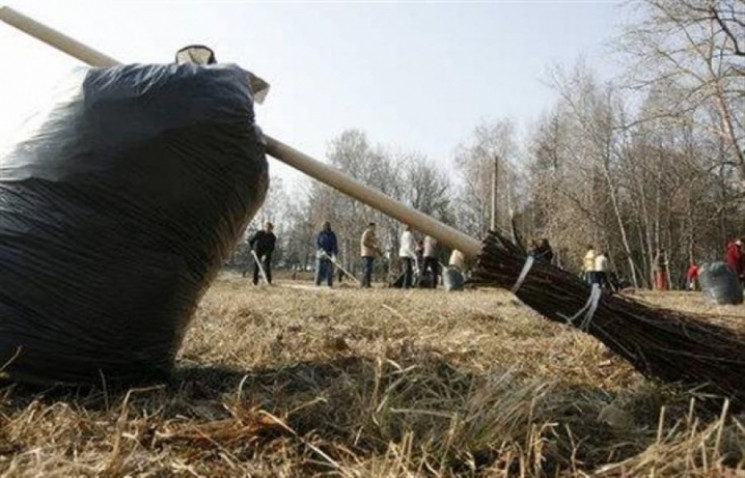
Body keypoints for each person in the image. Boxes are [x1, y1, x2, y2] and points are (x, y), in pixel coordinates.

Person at [315, 221, 338, 287]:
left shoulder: (332, 235)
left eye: (326, 226)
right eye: (324, 226)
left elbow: (334, 245)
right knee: (319, 270)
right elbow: (317, 243)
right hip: (321, 254)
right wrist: (321, 250)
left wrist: (334, 255)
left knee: (329, 271)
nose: (325, 227)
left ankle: (329, 284)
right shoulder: (320, 234)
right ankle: (317, 284)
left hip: (329, 254)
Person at [360, 222, 382, 288]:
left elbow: (374, 244)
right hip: (366, 253)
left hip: (371, 254)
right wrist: (372, 246)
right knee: (367, 269)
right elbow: (364, 242)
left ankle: (367, 284)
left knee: (369, 270)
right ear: (370, 227)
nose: (374, 228)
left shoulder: (373, 234)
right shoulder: (366, 233)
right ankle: (364, 284)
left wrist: (379, 252)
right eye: (373, 227)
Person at [399, 225, 418, 289]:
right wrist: (414, 255)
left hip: (404, 254)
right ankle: (405, 285)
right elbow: (407, 247)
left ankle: (408, 284)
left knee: (409, 270)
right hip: (406, 254)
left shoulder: (404, 234)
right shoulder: (408, 235)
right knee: (407, 270)